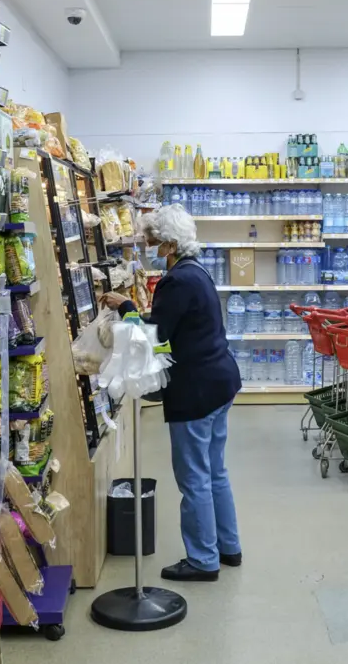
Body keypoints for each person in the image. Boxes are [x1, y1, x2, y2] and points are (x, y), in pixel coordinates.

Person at [100, 204, 242, 582]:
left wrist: (127, 307)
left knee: (193, 476)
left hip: (195, 390)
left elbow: (156, 337)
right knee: (215, 472)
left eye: (151, 240)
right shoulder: (198, 273)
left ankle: (202, 560)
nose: (148, 246)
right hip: (220, 381)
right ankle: (228, 547)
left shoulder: (176, 281)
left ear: (168, 244)